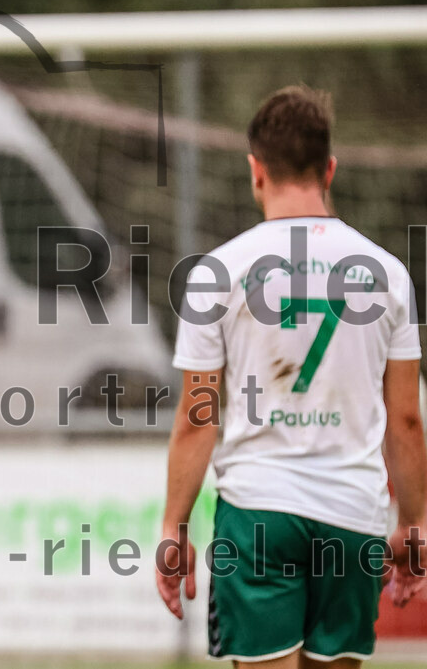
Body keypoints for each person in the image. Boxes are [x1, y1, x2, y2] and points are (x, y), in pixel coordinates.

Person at [156, 85, 426, 668]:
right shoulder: (388, 273)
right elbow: (404, 418)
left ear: (256, 171)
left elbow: (198, 418)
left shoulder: (218, 272)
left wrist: (173, 527)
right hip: (352, 514)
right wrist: (412, 522)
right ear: (330, 169)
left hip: (256, 513)